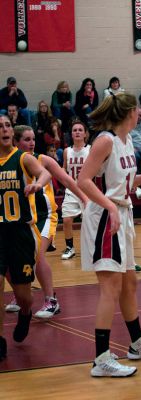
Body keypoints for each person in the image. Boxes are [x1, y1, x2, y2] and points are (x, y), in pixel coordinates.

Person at [77, 92, 141, 378]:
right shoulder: (105, 140)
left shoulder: (127, 140)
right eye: (138, 111)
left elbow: (122, 182)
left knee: (130, 282)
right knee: (111, 288)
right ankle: (101, 359)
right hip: (107, 217)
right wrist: (110, 207)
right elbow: (84, 180)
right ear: (129, 112)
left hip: (121, 213)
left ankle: (137, 344)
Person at [5, 125, 87, 319]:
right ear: (16, 142)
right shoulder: (9, 161)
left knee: (37, 255)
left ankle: (51, 300)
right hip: (22, 218)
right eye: (26, 139)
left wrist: (85, 199)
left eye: (33, 138)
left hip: (45, 215)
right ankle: (20, 293)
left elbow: (67, 181)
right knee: (8, 259)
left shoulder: (43, 160)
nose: (32, 143)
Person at [0, 115, 51, 361]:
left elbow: (44, 173)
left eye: (8, 125)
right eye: (0, 126)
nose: (5, 129)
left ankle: (26, 312)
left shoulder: (22, 158)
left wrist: (38, 185)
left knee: (23, 295)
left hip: (20, 231)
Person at [61, 121, 90, 260]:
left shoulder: (90, 150)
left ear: (85, 133)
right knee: (66, 220)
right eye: (74, 130)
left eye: (80, 130)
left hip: (87, 190)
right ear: (71, 134)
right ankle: (70, 247)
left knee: (88, 221)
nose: (77, 132)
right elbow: (64, 168)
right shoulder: (67, 151)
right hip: (71, 189)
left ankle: (90, 247)